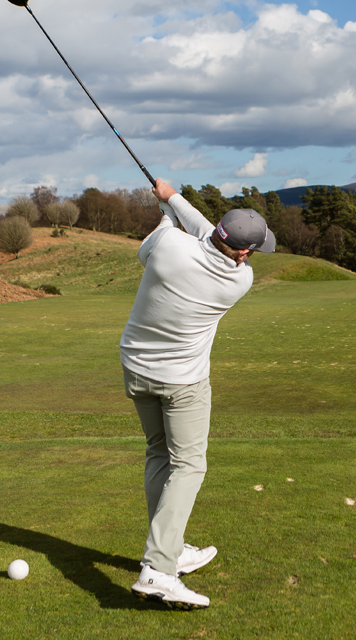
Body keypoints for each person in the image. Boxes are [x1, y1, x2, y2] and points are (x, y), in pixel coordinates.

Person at [120, 178, 275, 609]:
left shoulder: (167, 244)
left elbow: (182, 239)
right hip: (183, 381)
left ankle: (171, 548)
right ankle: (158, 569)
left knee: (158, 453)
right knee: (189, 464)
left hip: (135, 367)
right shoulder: (239, 280)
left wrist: (169, 206)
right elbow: (207, 235)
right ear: (243, 253)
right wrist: (172, 201)